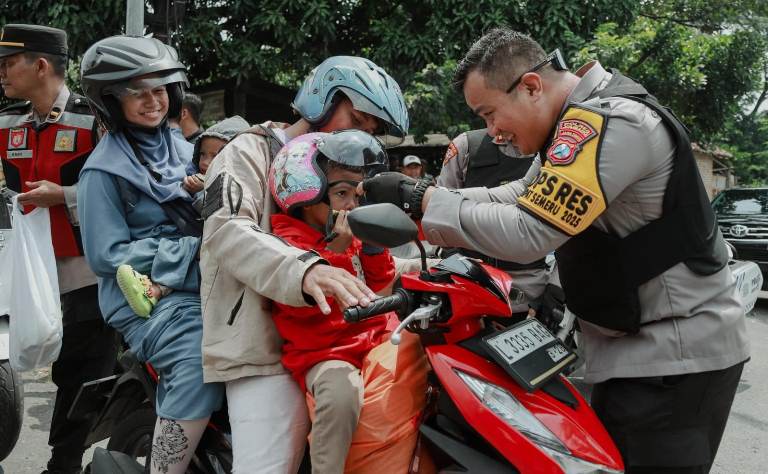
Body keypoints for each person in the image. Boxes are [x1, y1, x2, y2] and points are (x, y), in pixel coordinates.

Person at [360, 27, 749, 473]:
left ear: (530, 86)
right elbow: (519, 195)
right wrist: (425, 195)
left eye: (490, 115)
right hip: (638, 351)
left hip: (674, 359)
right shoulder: (575, 125)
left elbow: (530, 230)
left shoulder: (612, 122)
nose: (494, 133)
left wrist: (426, 203)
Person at [199, 55, 409, 473]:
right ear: (323, 99)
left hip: (337, 336)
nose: (359, 133)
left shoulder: (346, 170)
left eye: (369, 130)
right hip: (263, 348)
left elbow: (369, 251)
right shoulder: (247, 151)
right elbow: (225, 230)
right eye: (356, 117)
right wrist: (308, 268)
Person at [76, 35, 223, 474]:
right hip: (145, 297)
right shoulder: (102, 172)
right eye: (134, 91)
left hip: (212, 271)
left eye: (158, 89)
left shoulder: (187, 150)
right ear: (109, 101)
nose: (151, 101)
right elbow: (107, 255)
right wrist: (189, 253)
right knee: (199, 360)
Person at [268, 129, 426, 473]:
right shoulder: (286, 239)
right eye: (340, 194)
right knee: (342, 397)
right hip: (324, 351)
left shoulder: (352, 229)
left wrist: (371, 245)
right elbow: (317, 296)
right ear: (304, 196)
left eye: (357, 194)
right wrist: (336, 250)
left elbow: (380, 283)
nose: (352, 204)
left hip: (374, 338)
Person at [0, 24, 118, 474]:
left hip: (84, 270)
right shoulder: (6, 121)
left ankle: (64, 463)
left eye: (9, 63)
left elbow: (123, 189)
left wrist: (65, 196)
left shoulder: (93, 121)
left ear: (41, 65)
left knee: (81, 372)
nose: (3, 73)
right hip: (19, 272)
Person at [116, 115, 250, 318]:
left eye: (216, 155)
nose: (205, 162)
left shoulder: (245, 182)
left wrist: (204, 192)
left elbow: (227, 213)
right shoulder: (193, 173)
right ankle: (155, 290)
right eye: (203, 154)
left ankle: (156, 289)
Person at [437, 129, 559, 321]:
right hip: (469, 291)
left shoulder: (555, 147)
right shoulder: (467, 146)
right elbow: (440, 213)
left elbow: (572, 230)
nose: (494, 125)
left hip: (532, 298)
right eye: (485, 114)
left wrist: (555, 288)